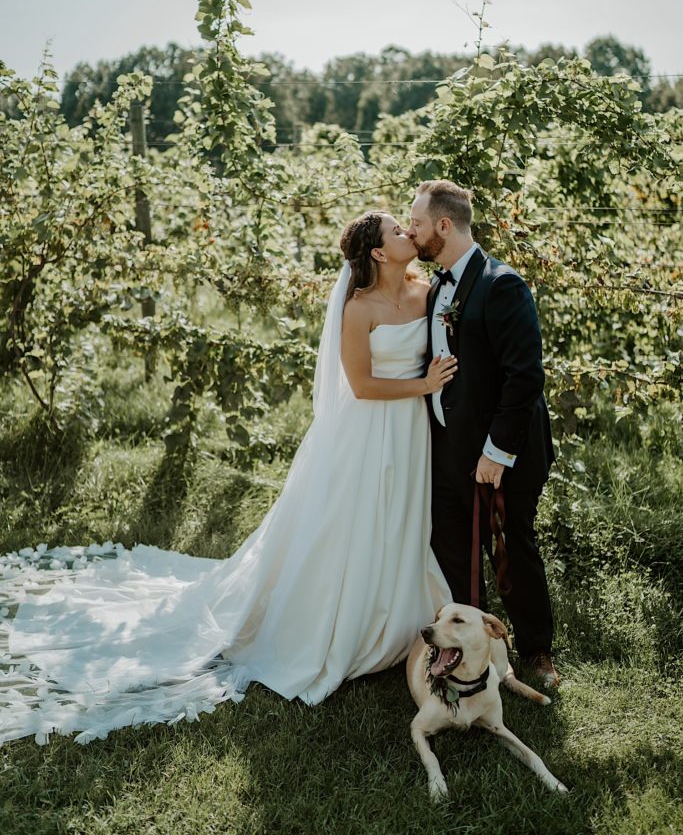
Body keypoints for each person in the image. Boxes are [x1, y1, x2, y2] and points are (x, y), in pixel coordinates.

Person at [0, 211, 456, 747]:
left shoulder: (428, 291)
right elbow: (358, 384)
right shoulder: (358, 308)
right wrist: (422, 385)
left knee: (399, 516)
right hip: (368, 428)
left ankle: (397, 615)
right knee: (350, 521)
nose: (409, 234)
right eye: (398, 232)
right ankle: (342, 624)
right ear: (379, 254)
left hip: (410, 433)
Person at [405, 180, 559, 687]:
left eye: (419, 224)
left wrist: (498, 451)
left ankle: (536, 650)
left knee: (511, 546)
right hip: (450, 447)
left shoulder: (502, 285)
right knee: (452, 545)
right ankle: (469, 653)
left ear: (444, 226)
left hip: (502, 451)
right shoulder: (437, 289)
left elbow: (525, 377)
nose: (412, 232)